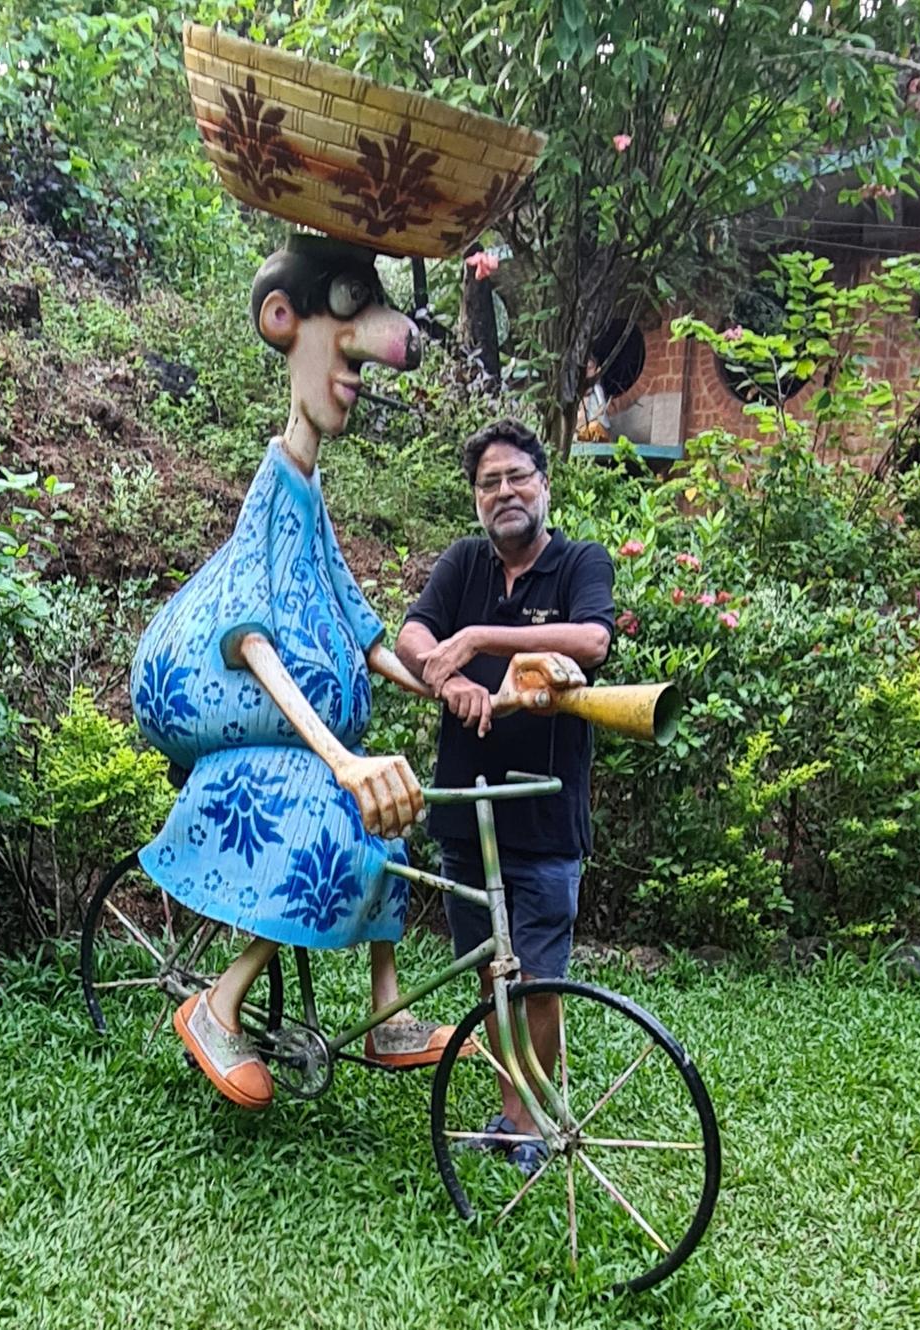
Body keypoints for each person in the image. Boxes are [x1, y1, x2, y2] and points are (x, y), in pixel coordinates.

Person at [131, 235, 461, 1112]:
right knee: (331, 816)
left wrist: (441, 681)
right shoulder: (272, 487)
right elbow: (251, 637)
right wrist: (340, 757)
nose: (357, 369)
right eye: (347, 332)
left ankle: (388, 1010)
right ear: (285, 322)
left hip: (303, 741)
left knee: (389, 828)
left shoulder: (313, 498)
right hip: (256, 736)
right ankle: (218, 1004)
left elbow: (356, 620)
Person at [395, 418, 614, 1172]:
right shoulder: (463, 563)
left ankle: (528, 1123)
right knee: (492, 972)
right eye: (489, 483)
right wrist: (449, 676)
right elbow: (412, 638)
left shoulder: (580, 562)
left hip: (546, 814)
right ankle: (512, 1109)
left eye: (517, 477)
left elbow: (590, 643)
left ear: (544, 485)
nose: (504, 493)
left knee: (539, 979)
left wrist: (481, 640)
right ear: (477, 499)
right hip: (466, 809)